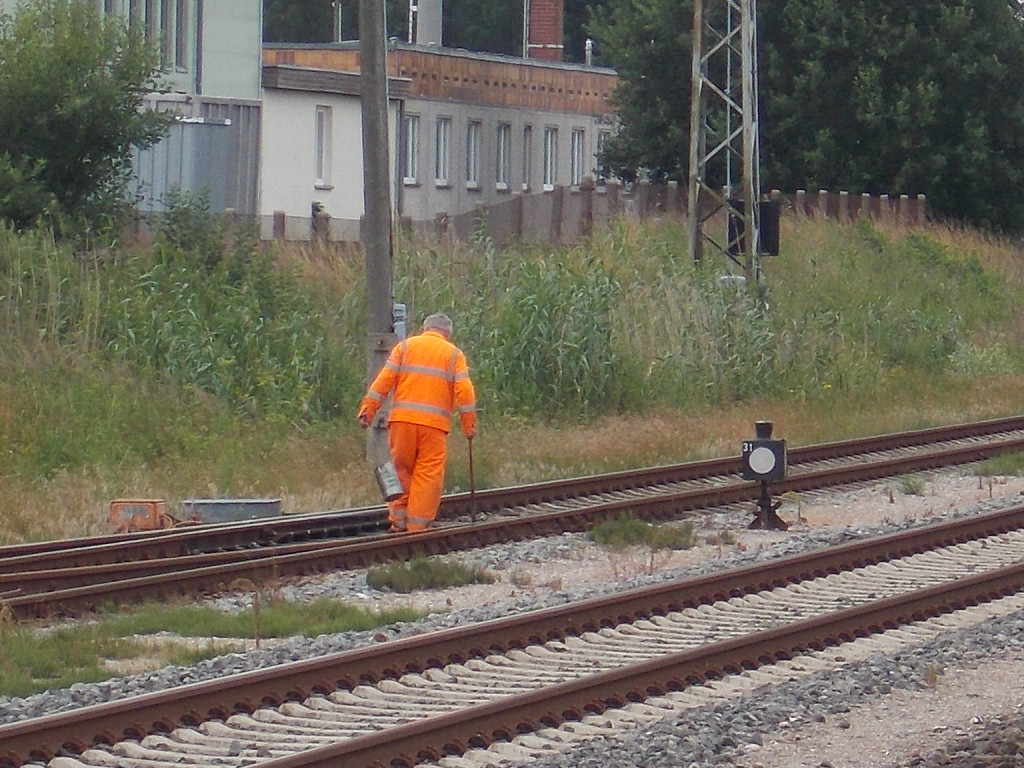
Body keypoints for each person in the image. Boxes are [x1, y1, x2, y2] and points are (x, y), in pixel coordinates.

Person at [357, 312, 477, 533]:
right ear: (447, 334)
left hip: (401, 423)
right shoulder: (453, 354)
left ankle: (398, 521)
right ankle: (417, 528)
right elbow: (465, 391)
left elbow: (383, 380)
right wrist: (469, 425)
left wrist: (368, 409)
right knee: (428, 476)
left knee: (401, 471)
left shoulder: (404, 348)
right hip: (434, 427)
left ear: (425, 329)